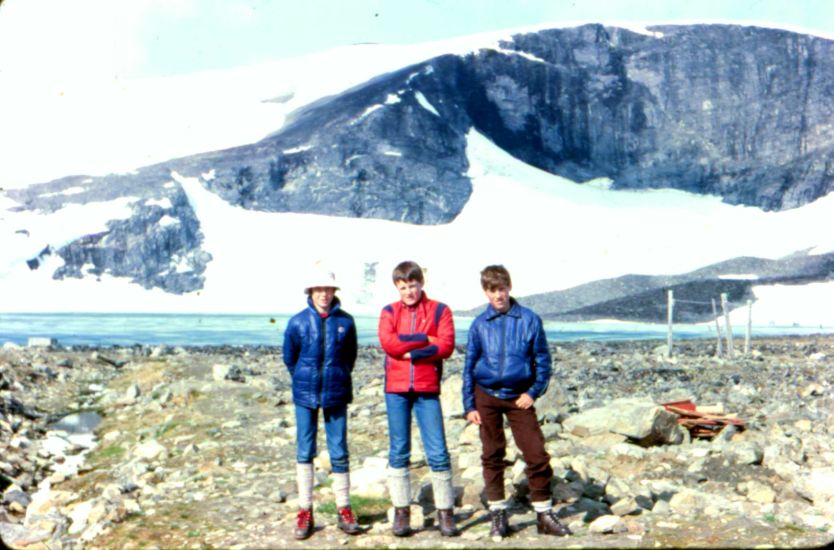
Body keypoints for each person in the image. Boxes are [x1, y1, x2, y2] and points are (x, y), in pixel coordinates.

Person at [461, 265, 571, 538]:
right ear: (485, 292)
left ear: (509, 287)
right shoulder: (479, 324)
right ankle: (498, 513)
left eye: (501, 288)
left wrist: (532, 393)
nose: (497, 295)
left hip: (519, 397)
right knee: (492, 453)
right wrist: (469, 406)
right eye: (491, 290)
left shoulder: (529, 320)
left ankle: (544, 514)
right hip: (485, 394)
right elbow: (469, 365)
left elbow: (543, 362)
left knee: (535, 453)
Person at [377, 260, 459, 537]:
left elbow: (446, 345)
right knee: (399, 449)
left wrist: (412, 350)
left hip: (427, 387)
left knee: (437, 450)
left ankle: (445, 512)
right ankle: (402, 512)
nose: (409, 292)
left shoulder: (440, 310)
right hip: (396, 389)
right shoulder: (389, 311)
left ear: (421, 283)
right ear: (396, 287)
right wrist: (425, 338)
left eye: (413, 285)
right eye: (403, 287)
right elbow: (389, 344)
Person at [282, 264, 361, 540]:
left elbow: (350, 356)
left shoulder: (346, 322)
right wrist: (304, 378)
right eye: (319, 289)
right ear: (311, 292)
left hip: (336, 392)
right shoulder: (298, 322)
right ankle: (305, 510)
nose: (324, 294)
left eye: (328, 289)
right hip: (305, 394)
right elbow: (290, 357)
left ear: (333, 291)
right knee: (305, 450)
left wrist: (336, 377)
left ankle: (344, 508)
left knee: (339, 450)